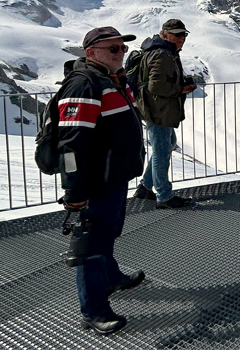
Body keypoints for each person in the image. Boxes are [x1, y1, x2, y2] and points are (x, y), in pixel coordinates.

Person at [59, 26, 146, 335]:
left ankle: (111, 277)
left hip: (114, 176)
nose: (120, 53)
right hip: (95, 181)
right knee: (91, 245)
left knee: (108, 232)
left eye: (121, 48)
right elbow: (71, 144)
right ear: (92, 53)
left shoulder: (111, 80)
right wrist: (75, 189)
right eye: (113, 49)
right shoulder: (84, 85)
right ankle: (93, 310)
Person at [133, 19, 197, 209]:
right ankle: (164, 196)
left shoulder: (160, 51)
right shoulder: (162, 55)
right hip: (158, 109)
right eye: (177, 34)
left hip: (155, 108)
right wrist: (181, 89)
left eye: (183, 34)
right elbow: (156, 86)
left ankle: (146, 186)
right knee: (162, 151)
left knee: (168, 144)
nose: (181, 38)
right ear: (165, 34)